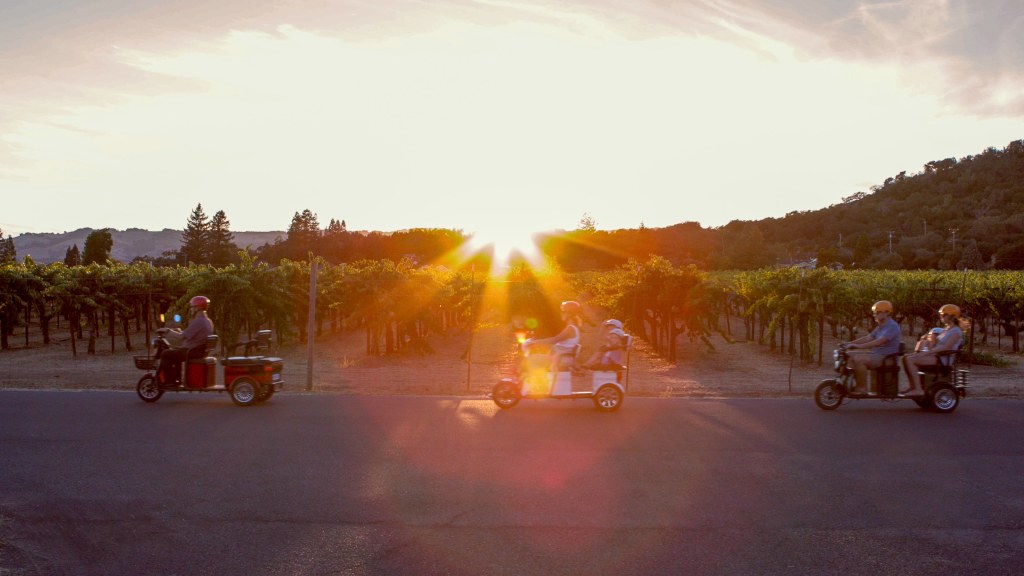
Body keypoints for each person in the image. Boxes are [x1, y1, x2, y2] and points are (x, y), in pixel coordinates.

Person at [900, 304, 964, 397]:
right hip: (936, 356)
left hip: (942, 359)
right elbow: (935, 343)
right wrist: (927, 343)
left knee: (910, 360)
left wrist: (927, 353)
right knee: (906, 358)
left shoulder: (956, 331)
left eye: (943, 315)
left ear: (952, 316)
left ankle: (918, 389)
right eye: (941, 315)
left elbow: (946, 347)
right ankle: (913, 387)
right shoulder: (946, 329)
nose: (941, 317)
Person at [843, 300, 902, 395]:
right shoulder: (880, 326)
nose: (874, 315)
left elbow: (879, 342)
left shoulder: (892, 326)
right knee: (849, 355)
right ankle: (850, 383)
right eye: (874, 313)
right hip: (878, 355)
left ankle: (862, 389)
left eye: (877, 312)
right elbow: (868, 338)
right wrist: (849, 343)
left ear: (886, 313)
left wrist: (858, 346)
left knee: (860, 360)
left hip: (887, 358)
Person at [157, 295, 215, 386]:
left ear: (198, 307)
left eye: (192, 307)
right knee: (175, 352)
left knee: (165, 354)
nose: (191, 309)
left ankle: (170, 380)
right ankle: (177, 379)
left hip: (192, 351)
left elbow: (182, 337)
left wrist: (167, 331)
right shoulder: (207, 320)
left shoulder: (198, 321)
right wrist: (176, 330)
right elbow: (190, 334)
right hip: (198, 350)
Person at [526, 300, 582, 371]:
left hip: (560, 359)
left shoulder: (570, 328)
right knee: (535, 358)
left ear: (569, 314)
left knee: (529, 360)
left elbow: (554, 340)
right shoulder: (573, 327)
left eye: (563, 311)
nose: (561, 313)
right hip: (561, 358)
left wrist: (534, 342)